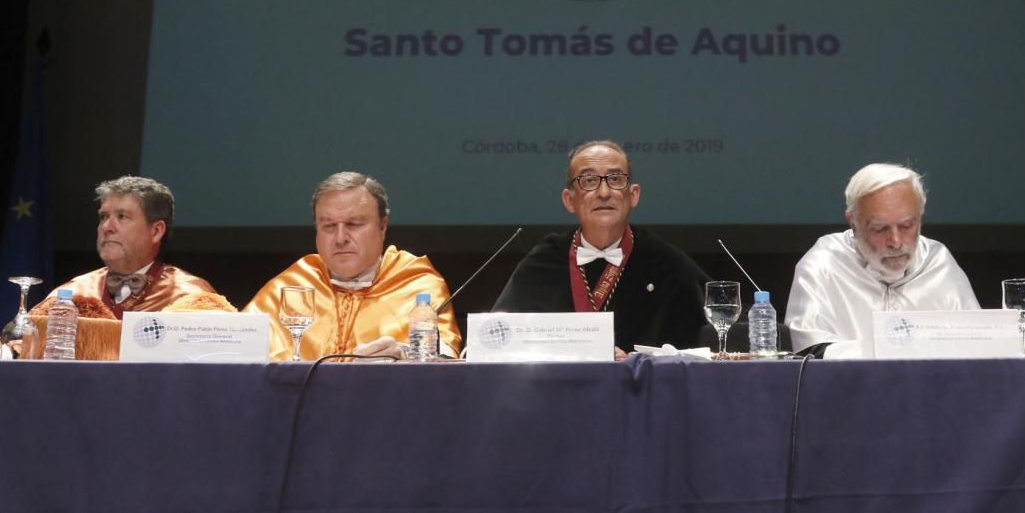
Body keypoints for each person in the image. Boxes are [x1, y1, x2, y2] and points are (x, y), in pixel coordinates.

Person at [492, 140, 708, 353]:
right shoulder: (543, 263)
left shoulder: (666, 264)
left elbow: (712, 338)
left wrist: (637, 362)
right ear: (569, 200)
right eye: (589, 181)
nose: (604, 192)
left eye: (615, 179)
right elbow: (495, 339)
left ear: (634, 195)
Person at [243, 171, 461, 360]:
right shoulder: (292, 284)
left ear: (382, 226)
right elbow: (235, 350)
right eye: (328, 226)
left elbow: (447, 358)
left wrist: (406, 353)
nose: (340, 238)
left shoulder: (416, 282)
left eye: (354, 224)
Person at [784, 163, 978, 358]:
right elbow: (807, 356)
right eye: (879, 229)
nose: (895, 242)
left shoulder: (938, 262)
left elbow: (979, 348)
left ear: (920, 218)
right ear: (853, 223)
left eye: (906, 226)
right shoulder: (824, 264)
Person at [33, 176, 214, 319]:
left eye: (122, 216)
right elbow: (21, 348)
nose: (106, 227)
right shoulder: (74, 293)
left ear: (156, 231)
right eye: (103, 217)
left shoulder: (191, 297)